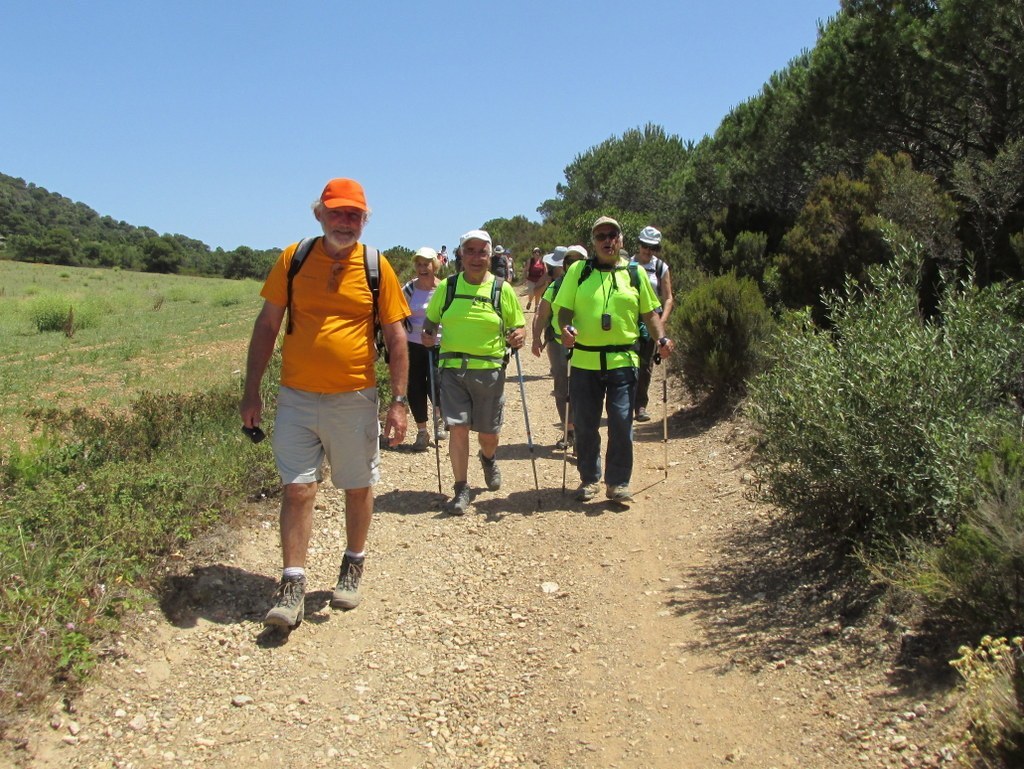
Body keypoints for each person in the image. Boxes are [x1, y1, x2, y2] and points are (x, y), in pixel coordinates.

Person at [240, 178, 411, 629]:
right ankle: (292, 585)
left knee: (356, 486)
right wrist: (251, 390)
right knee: (297, 488)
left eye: (354, 215)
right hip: (296, 396)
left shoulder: (377, 266)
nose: (345, 221)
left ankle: (353, 563)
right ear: (319, 214)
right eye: (337, 212)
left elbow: (396, 337)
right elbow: (267, 324)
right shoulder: (293, 259)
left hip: (354, 398)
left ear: (364, 220)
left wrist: (398, 401)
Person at [553, 216, 674, 504]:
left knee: (621, 421)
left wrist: (661, 339)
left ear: (621, 240)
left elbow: (649, 314)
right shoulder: (579, 272)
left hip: (622, 359)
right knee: (585, 423)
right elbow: (564, 311)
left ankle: (618, 482)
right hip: (584, 360)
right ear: (593, 242)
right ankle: (589, 479)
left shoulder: (635, 273)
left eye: (612, 235)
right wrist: (565, 329)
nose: (607, 241)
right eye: (600, 236)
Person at [421, 229, 526, 515]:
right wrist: (428, 335)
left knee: (489, 434)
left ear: (491, 256)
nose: (476, 257)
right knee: (458, 428)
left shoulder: (501, 289)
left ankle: (488, 457)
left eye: (482, 251)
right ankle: (461, 488)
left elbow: (518, 327)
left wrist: (518, 336)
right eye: (470, 251)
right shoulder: (448, 287)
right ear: (461, 255)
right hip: (452, 369)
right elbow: (430, 322)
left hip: (489, 370)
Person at [531, 245, 586, 448]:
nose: (574, 265)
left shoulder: (594, 285)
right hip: (557, 343)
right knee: (563, 388)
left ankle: (581, 433)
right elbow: (542, 313)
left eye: (579, 260)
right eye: (570, 261)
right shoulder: (555, 287)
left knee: (583, 388)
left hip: (587, 345)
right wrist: (536, 338)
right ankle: (569, 431)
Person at [403, 247, 446, 450]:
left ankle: (439, 421)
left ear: (434, 266)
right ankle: (422, 432)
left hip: (439, 345)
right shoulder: (409, 290)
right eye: (419, 264)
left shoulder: (444, 289)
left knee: (437, 384)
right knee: (415, 388)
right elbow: (398, 313)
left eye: (426, 264)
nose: (422, 268)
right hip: (413, 344)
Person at [631, 226, 674, 422]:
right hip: (630, 321)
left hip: (651, 321)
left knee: (645, 365)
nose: (648, 251)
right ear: (639, 245)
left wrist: (661, 321)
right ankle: (625, 403)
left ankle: (640, 405)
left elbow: (668, 298)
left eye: (653, 247)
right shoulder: (628, 265)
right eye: (645, 246)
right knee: (628, 362)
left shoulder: (660, 268)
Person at [524, 247, 547, 311]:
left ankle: (536, 306)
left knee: (538, 293)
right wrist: (525, 278)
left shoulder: (542, 262)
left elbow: (545, 271)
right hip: (531, 279)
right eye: (535, 252)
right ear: (533, 254)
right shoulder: (530, 261)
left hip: (539, 280)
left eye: (538, 252)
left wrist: (545, 279)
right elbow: (526, 270)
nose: (537, 254)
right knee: (531, 292)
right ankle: (530, 302)